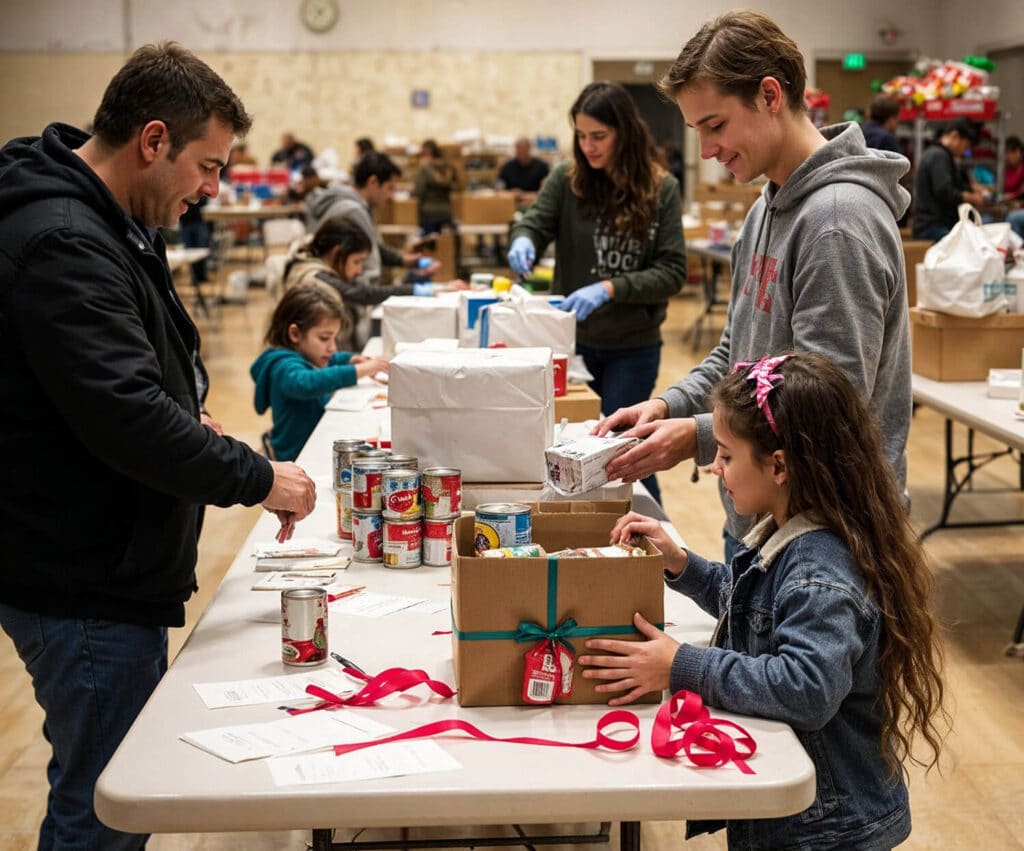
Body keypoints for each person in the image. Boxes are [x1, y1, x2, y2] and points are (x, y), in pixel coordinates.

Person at [0, 42, 316, 850]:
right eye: (206, 167)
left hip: (97, 559)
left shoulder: (108, 218)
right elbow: (127, 416)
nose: (213, 189)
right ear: (151, 140)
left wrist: (190, 412)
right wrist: (259, 477)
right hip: (81, 576)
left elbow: (114, 376)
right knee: (105, 807)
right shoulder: (64, 239)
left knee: (94, 780)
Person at [580, 352, 947, 850]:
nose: (714, 467)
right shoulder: (789, 527)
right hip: (810, 816)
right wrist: (681, 564)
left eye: (727, 455)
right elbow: (755, 610)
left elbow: (805, 689)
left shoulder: (819, 572)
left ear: (778, 465)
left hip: (829, 828)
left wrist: (680, 665)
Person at [596, 10, 912, 556]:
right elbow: (736, 357)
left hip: (824, 538)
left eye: (715, 126)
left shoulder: (837, 222)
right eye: (698, 131)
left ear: (770, 95)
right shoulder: (766, 207)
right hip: (759, 520)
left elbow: (822, 409)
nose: (707, 152)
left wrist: (696, 436)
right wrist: (668, 407)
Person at [508, 81, 687, 504]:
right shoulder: (565, 181)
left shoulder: (661, 189)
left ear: (624, 132)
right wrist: (524, 238)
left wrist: (611, 288)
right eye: (581, 135)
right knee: (570, 447)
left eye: (599, 136)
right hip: (571, 343)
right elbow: (534, 221)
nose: (588, 146)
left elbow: (673, 271)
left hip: (631, 346)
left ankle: (652, 538)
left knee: (622, 447)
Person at [251, 286, 389, 461]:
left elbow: (329, 359)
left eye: (334, 338)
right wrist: (360, 370)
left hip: (311, 445)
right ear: (295, 334)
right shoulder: (282, 366)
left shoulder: (306, 355)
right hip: (295, 456)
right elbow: (307, 382)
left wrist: (350, 360)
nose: (332, 347)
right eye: (324, 338)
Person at [285, 215, 439, 351]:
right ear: (337, 252)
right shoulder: (317, 280)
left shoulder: (310, 263)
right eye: (356, 262)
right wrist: (421, 289)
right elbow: (363, 294)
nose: (359, 271)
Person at [307, 151, 441, 288]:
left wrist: (407, 261)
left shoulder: (356, 206)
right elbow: (366, 277)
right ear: (373, 182)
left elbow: (373, 247)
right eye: (390, 188)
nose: (391, 195)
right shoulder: (352, 211)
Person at [912, 117, 986, 241]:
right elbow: (944, 192)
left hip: (937, 225)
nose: (965, 151)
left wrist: (971, 187)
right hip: (934, 227)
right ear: (954, 136)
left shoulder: (941, 155)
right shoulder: (939, 156)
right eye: (965, 145)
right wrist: (971, 197)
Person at [413, 138, 458, 234]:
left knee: (429, 245)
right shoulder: (447, 168)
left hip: (429, 213)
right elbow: (457, 187)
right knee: (444, 244)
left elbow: (418, 191)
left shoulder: (424, 169)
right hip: (447, 212)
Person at [496, 136, 550, 201]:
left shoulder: (541, 167)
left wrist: (524, 195)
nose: (520, 151)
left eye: (523, 148)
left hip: (533, 202)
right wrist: (512, 194)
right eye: (518, 148)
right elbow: (498, 189)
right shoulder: (507, 167)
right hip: (512, 202)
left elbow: (547, 192)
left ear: (529, 149)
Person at [1001, 137, 1024, 240]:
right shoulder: (1007, 170)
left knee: (1013, 218)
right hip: (1011, 204)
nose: (1008, 156)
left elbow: (1021, 193)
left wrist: (1012, 198)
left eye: (1011, 153)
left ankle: (1018, 251)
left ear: (1019, 152)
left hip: (1019, 206)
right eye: (1006, 153)